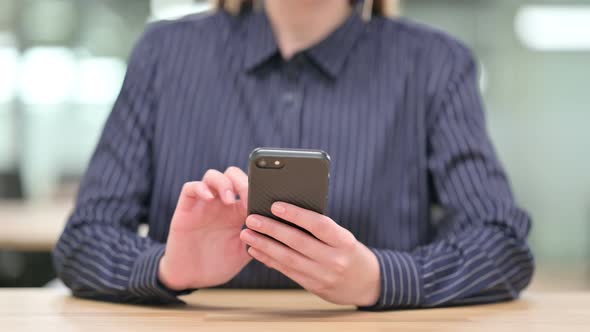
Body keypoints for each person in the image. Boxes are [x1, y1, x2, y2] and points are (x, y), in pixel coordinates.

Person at [53, 0, 534, 310]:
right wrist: (166, 267)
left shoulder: (436, 64)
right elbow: (82, 242)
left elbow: (502, 246)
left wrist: (380, 279)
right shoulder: (164, 55)